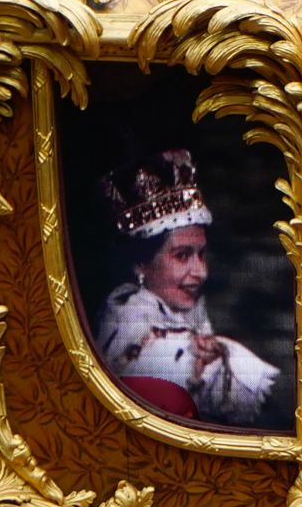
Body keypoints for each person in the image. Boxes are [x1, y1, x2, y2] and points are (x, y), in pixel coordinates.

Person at [95, 149, 278, 424]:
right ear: (140, 265)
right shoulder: (128, 328)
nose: (201, 272)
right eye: (182, 256)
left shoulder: (187, 323)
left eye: (201, 255)